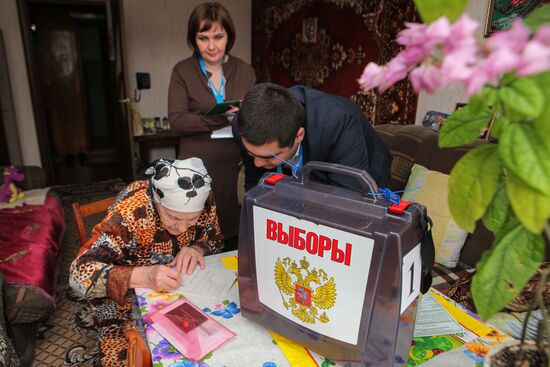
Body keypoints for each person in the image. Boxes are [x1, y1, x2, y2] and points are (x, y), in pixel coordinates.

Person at [69, 158, 224, 367]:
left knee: (213, 346)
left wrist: (198, 248)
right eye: (173, 217)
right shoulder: (130, 213)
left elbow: (215, 239)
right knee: (127, 359)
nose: (182, 229)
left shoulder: (203, 197)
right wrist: (143, 276)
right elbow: (78, 274)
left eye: (191, 220)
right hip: (121, 302)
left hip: (179, 290)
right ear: (157, 201)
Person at [168, 2, 256, 250]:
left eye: (218, 36)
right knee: (195, 237)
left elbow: (253, 114)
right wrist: (219, 116)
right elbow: (177, 121)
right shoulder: (183, 71)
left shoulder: (245, 71)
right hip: (197, 165)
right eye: (203, 38)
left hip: (237, 163)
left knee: (236, 234)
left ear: (229, 36)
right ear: (193, 39)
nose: (211, 46)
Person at [234, 83, 393, 191]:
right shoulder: (242, 127)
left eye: (269, 157)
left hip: (359, 172)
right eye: (252, 154)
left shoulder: (337, 125)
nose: (258, 162)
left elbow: (347, 200)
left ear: (299, 136)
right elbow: (254, 182)